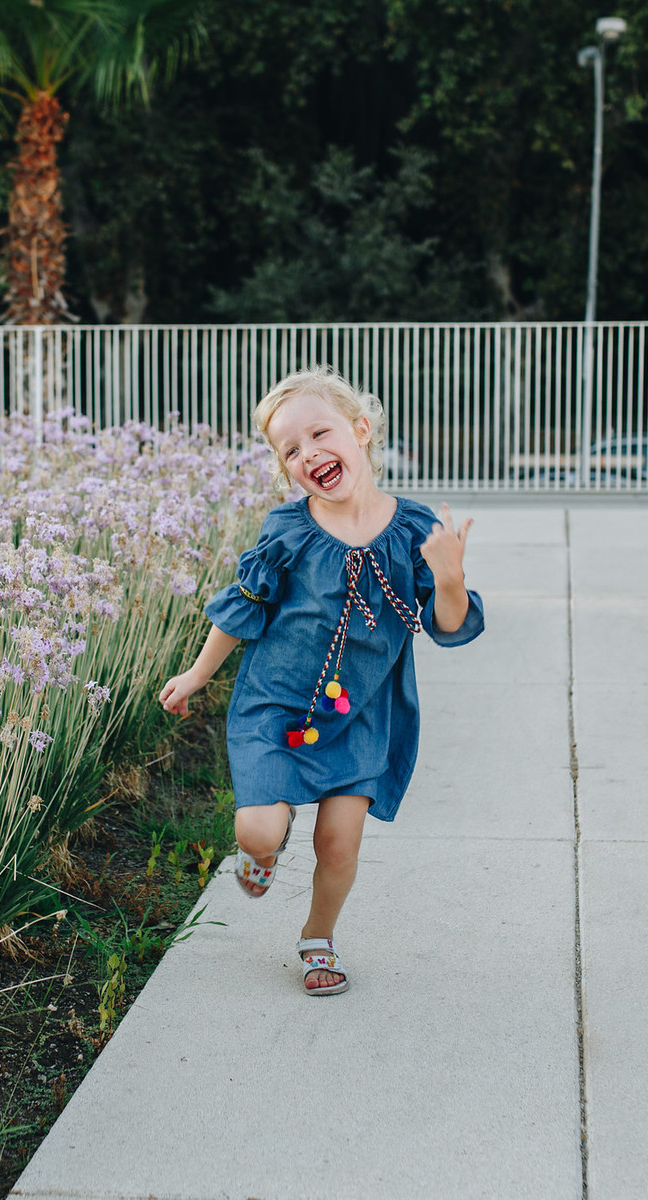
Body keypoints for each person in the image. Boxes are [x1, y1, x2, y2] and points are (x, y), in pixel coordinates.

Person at [157, 365, 484, 996]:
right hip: (275, 706)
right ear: (287, 469)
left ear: (361, 431)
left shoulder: (415, 531)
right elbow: (243, 608)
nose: (309, 453)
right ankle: (264, 851)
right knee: (257, 826)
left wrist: (449, 579)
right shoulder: (287, 531)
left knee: (338, 844)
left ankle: (317, 937)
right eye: (291, 449)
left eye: (319, 433)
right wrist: (198, 674)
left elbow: (449, 626)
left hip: (359, 715)